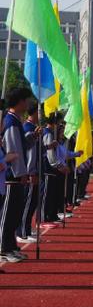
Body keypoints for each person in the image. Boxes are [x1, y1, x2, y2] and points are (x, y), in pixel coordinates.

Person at [1, 88, 32, 263]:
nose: (27, 104)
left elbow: (22, 146)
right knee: (8, 213)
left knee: (15, 212)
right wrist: (21, 173)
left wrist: (32, 138)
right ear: (19, 101)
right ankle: (4, 248)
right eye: (25, 100)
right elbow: (14, 151)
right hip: (11, 175)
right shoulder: (11, 122)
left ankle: (11, 246)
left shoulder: (16, 121)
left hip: (16, 175)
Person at [17, 102, 41, 243]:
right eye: (40, 113)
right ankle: (22, 232)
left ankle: (26, 228)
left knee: (32, 202)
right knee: (28, 201)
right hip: (30, 170)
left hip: (35, 169)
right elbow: (30, 152)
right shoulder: (27, 128)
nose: (41, 116)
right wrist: (31, 171)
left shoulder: (34, 128)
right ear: (35, 113)